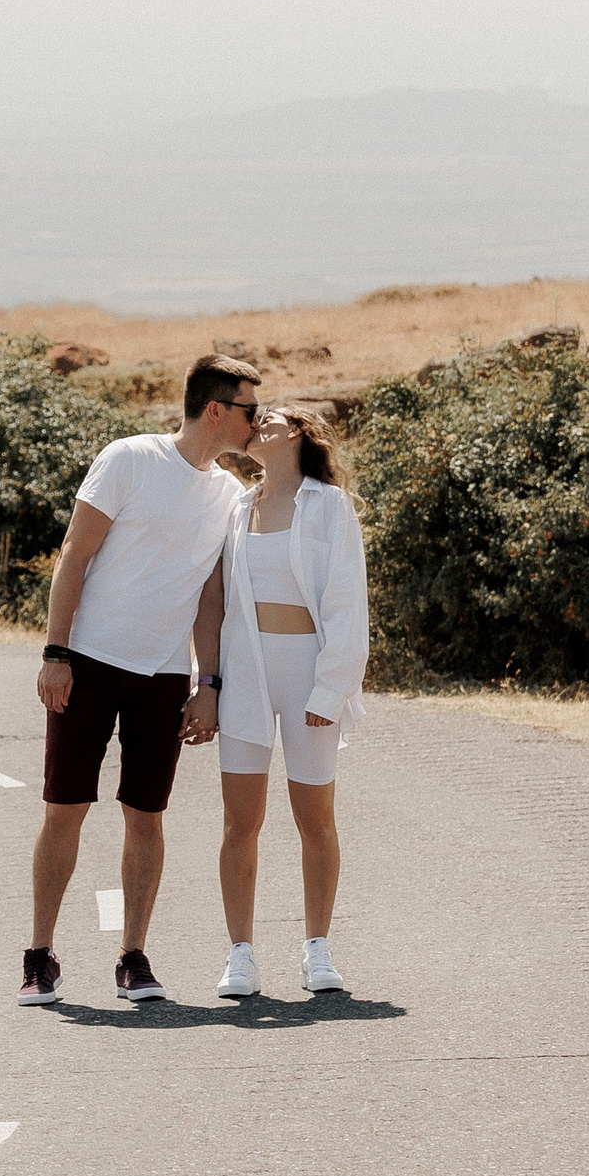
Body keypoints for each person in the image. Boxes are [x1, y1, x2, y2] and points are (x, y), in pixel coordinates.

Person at [20, 355, 260, 1006]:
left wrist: (208, 681)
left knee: (145, 817)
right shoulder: (129, 458)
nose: (255, 422)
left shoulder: (230, 496)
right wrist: (54, 651)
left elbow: (211, 599)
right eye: (249, 409)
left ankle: (133, 955)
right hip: (89, 664)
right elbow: (76, 551)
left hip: (161, 678)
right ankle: (39, 955)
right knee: (65, 808)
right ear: (216, 409)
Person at [209, 404, 368, 998]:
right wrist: (210, 684)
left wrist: (332, 686)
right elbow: (218, 601)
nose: (257, 424)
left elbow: (348, 602)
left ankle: (317, 949)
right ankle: (240, 955)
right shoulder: (237, 506)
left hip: (308, 673)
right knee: (239, 823)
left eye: (269, 417)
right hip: (247, 673)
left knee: (314, 820)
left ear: (299, 431)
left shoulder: (328, 505)